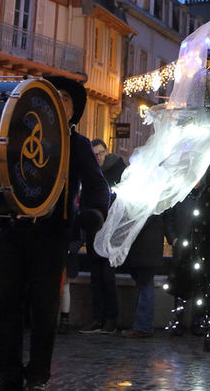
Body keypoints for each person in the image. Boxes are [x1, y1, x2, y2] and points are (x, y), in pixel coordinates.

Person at [0, 76, 110, 391]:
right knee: (5, 305)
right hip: (13, 230)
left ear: (74, 109)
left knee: (44, 309)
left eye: (66, 98)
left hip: (52, 235)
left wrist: (93, 213)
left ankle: (38, 375)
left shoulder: (76, 143)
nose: (59, 102)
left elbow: (97, 185)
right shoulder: (17, 133)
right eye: (55, 96)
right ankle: (8, 374)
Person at [162, 145, 210, 341]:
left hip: (203, 245)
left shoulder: (208, 196)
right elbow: (168, 217)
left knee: (200, 283)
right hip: (183, 244)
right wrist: (174, 238)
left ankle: (198, 319)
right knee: (181, 283)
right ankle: (178, 319)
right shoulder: (181, 193)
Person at [80, 139, 124, 334]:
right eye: (94, 154)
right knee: (96, 277)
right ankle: (98, 318)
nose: (98, 157)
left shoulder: (117, 171)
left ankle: (110, 319)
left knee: (107, 276)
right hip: (93, 229)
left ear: (107, 152)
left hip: (109, 232)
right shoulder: (90, 172)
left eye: (100, 153)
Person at [118, 212, 165, 338]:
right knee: (145, 284)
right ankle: (143, 325)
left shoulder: (147, 207)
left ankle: (143, 326)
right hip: (148, 250)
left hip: (145, 250)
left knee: (145, 285)